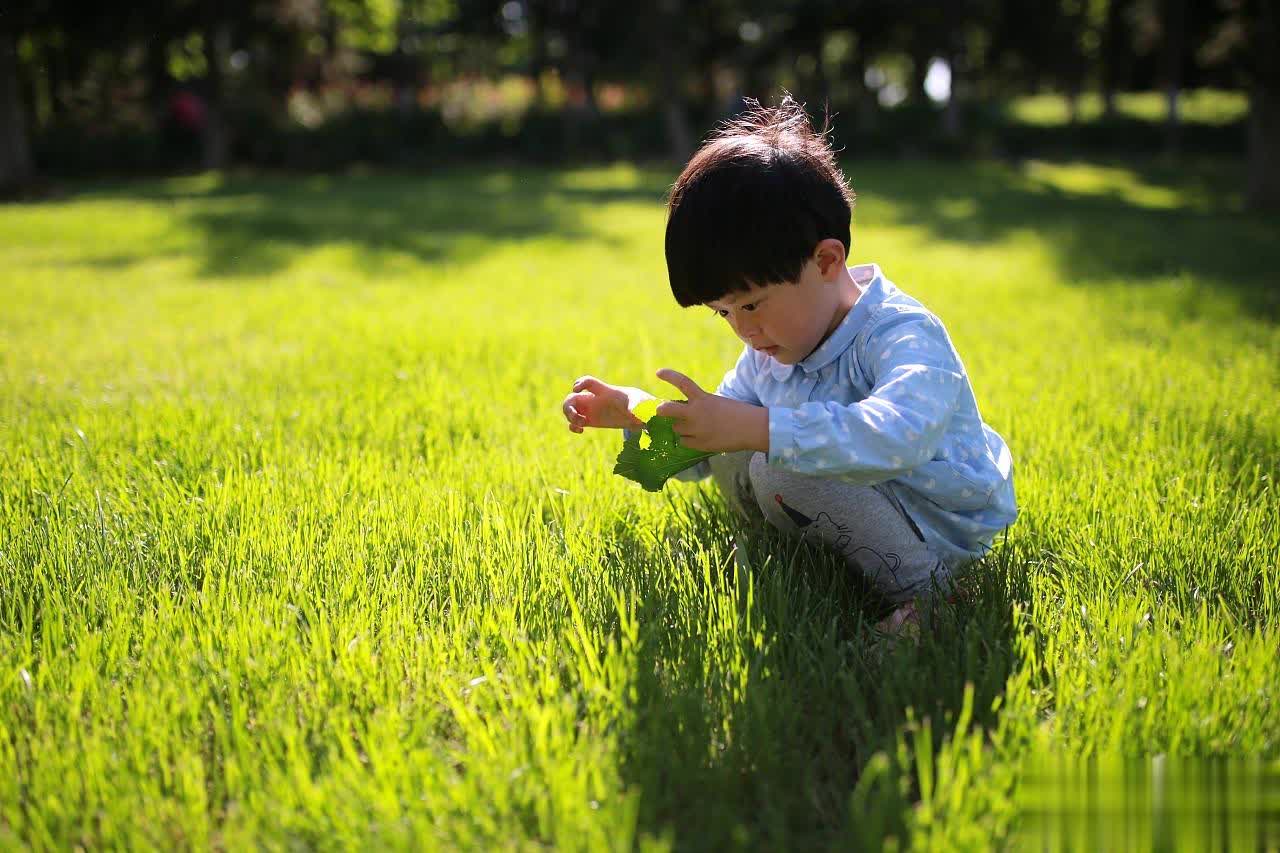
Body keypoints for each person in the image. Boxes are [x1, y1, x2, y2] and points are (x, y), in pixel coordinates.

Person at [560, 97, 1016, 637]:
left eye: (752, 304)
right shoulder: (770, 350)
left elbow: (900, 435)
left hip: (938, 520)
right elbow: (710, 444)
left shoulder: (901, 334)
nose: (743, 330)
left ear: (826, 261)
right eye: (723, 313)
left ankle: (933, 595)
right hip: (856, 499)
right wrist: (638, 413)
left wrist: (761, 429)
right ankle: (786, 547)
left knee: (771, 456)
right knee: (738, 441)